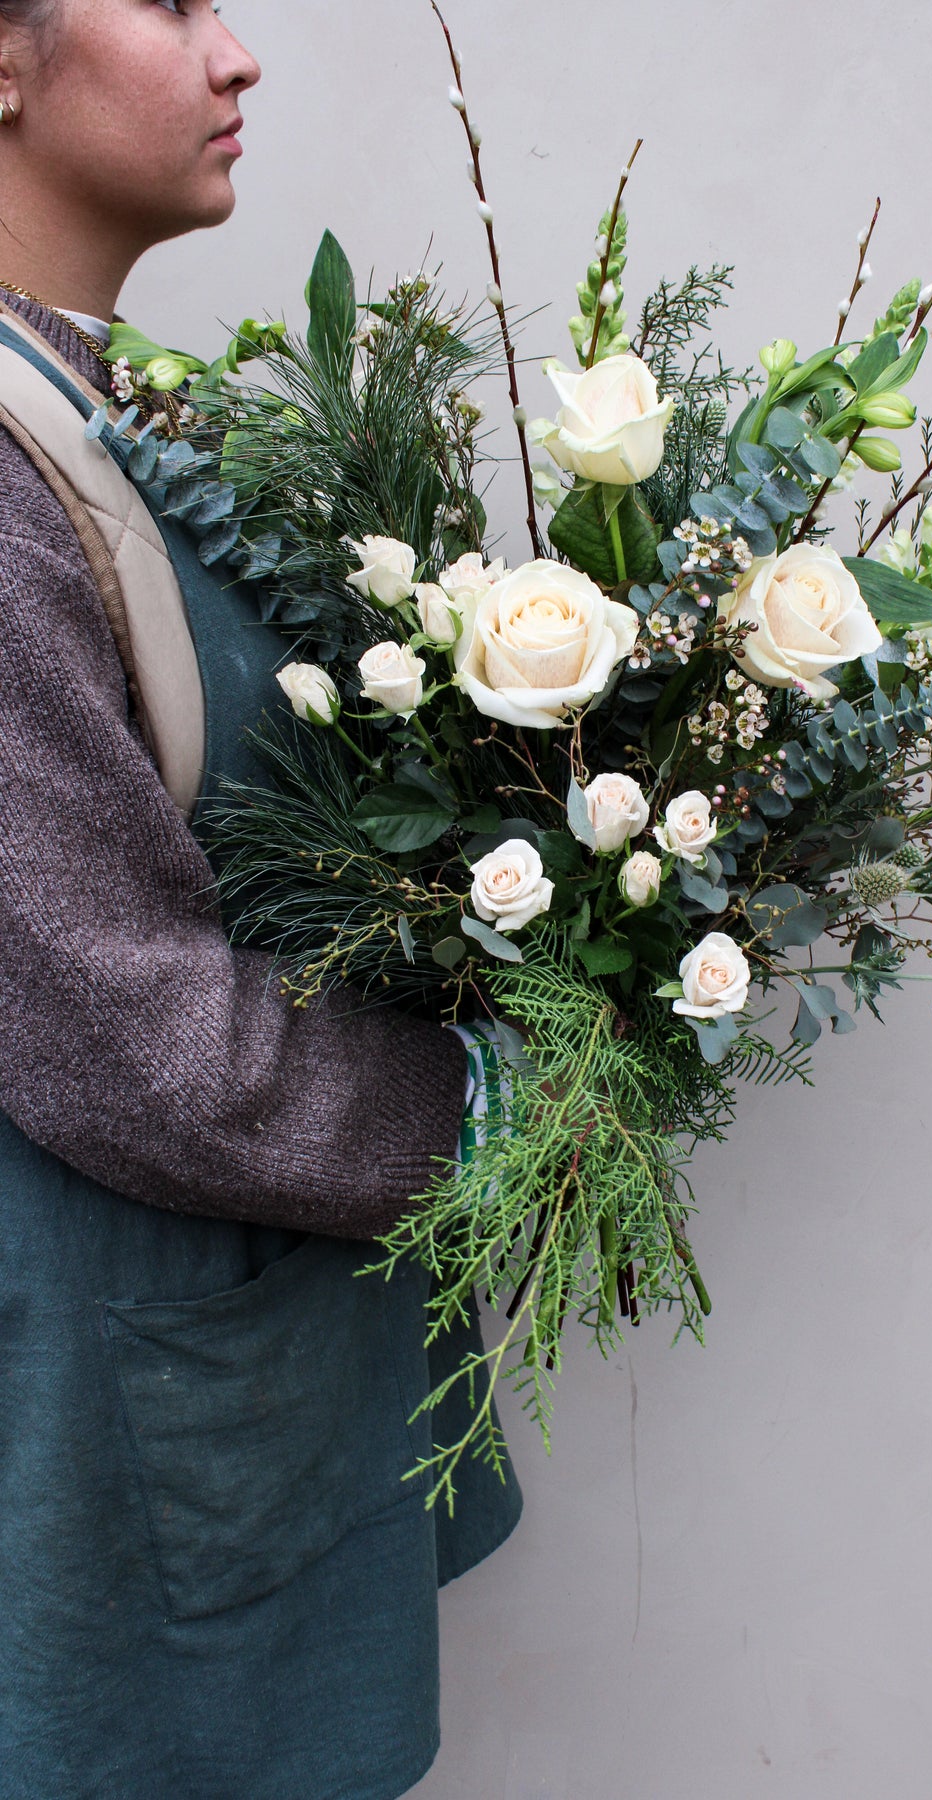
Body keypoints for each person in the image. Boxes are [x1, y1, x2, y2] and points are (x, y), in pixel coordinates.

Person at [0, 3, 521, 1795]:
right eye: (167, 2)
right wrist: (486, 1107)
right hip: (92, 1390)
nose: (237, 58)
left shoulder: (98, 400)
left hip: (223, 1346)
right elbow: (114, 1020)